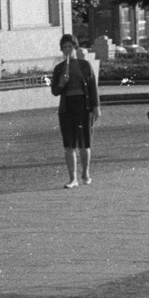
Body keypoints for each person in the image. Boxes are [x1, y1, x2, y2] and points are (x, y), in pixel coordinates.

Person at [51, 33, 101, 185]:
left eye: (70, 47)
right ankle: (72, 178)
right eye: (64, 47)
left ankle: (85, 172)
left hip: (83, 105)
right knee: (69, 144)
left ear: (75, 47)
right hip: (67, 107)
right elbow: (55, 91)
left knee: (84, 143)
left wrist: (96, 107)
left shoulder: (84, 65)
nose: (67, 50)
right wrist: (61, 82)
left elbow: (93, 87)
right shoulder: (59, 68)